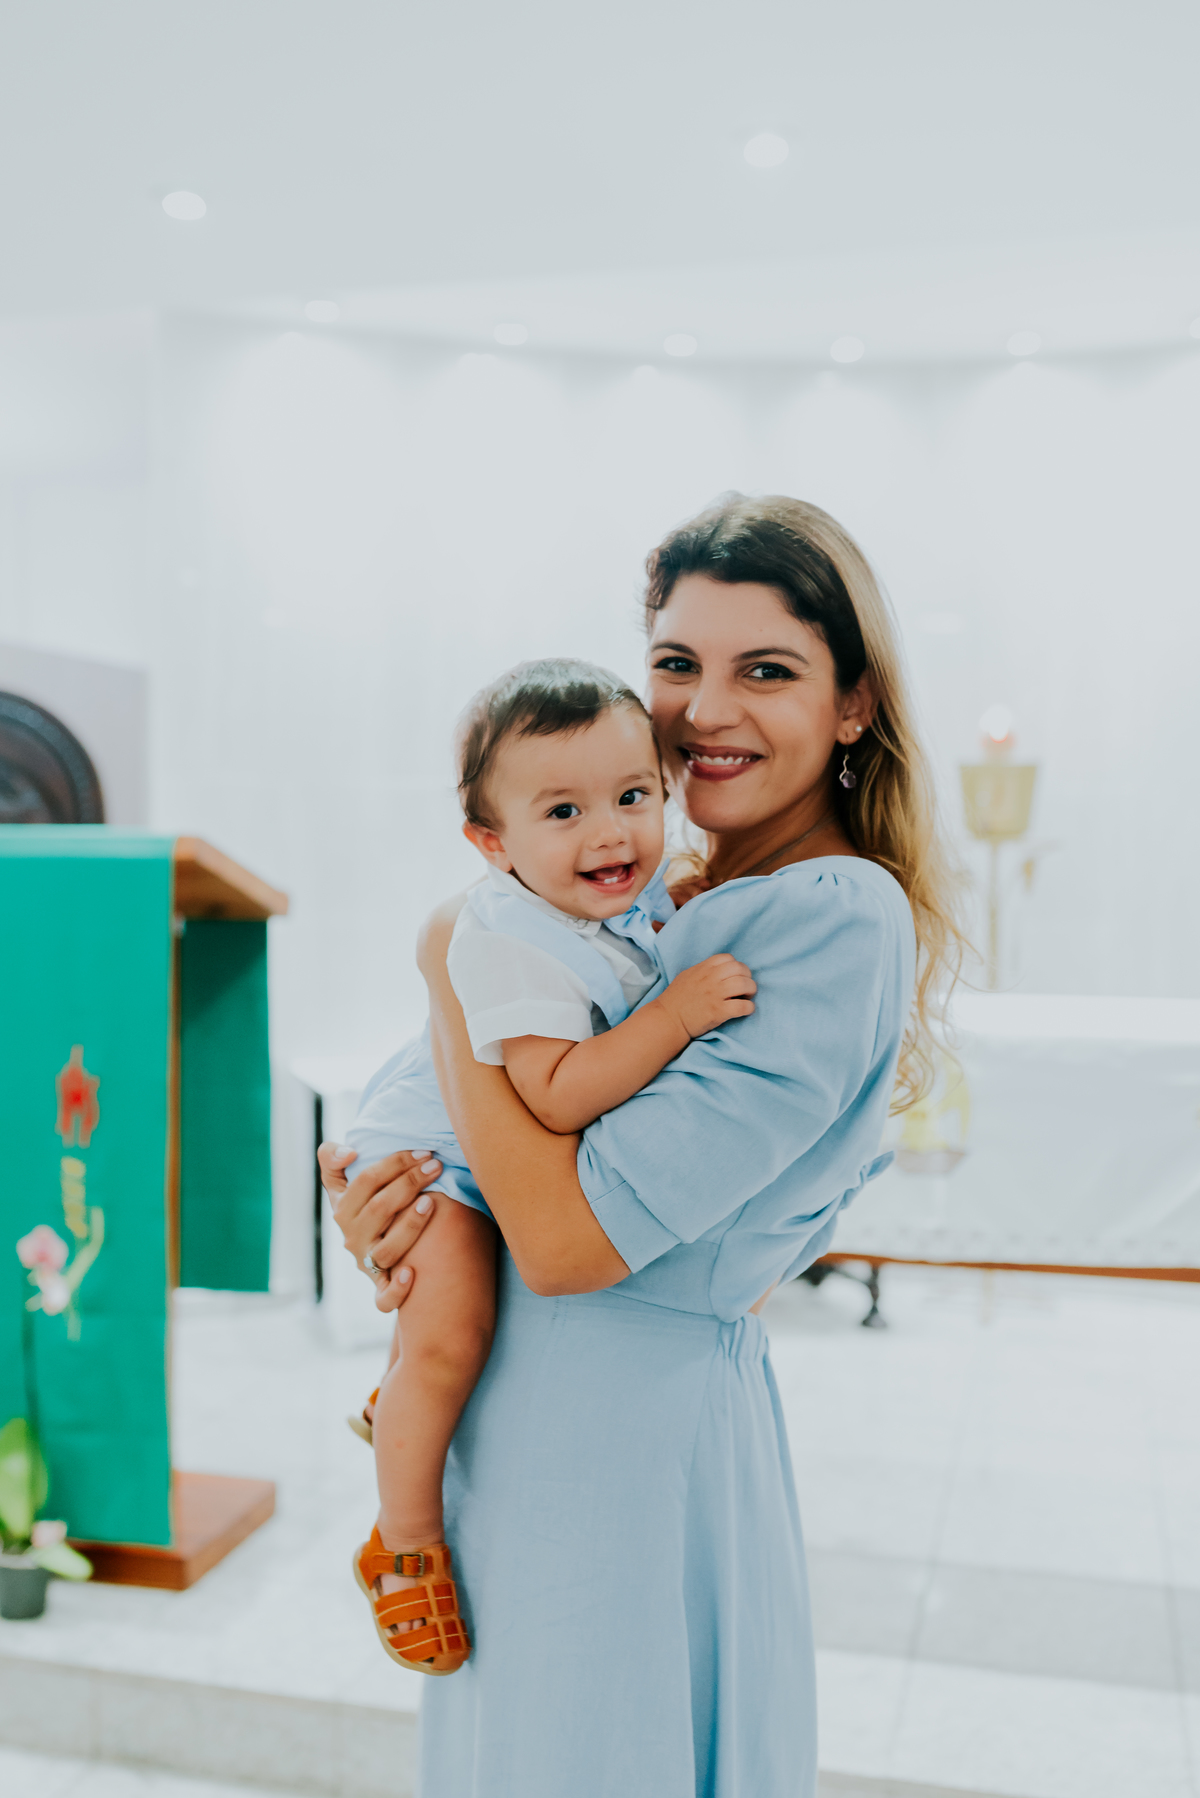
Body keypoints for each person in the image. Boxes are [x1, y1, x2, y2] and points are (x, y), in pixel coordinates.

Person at [322, 494, 964, 1797]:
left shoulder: (832, 916)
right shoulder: (665, 899)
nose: (704, 710)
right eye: (677, 664)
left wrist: (449, 962)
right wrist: (388, 1196)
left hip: (621, 1435)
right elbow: (484, 1126)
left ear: (854, 703)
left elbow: (562, 1239)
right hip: (523, 1414)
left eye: (766, 670)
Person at [345, 657, 756, 1674]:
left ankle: (394, 1403)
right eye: (563, 811)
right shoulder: (502, 937)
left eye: (633, 796)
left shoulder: (622, 884)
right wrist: (674, 1014)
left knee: (436, 1349)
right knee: (451, 1337)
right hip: (434, 1155)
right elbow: (558, 1094)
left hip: (493, 1148)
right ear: (493, 844)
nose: (610, 833)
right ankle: (402, 1541)